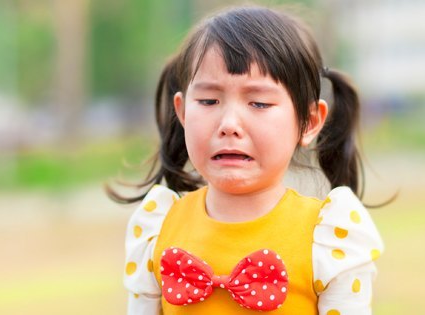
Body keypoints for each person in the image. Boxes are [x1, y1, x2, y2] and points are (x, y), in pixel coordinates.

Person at [109, 5, 384, 315]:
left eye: (259, 103)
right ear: (183, 111)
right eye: (209, 101)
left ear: (309, 122)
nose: (229, 124)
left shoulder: (330, 238)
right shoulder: (158, 227)